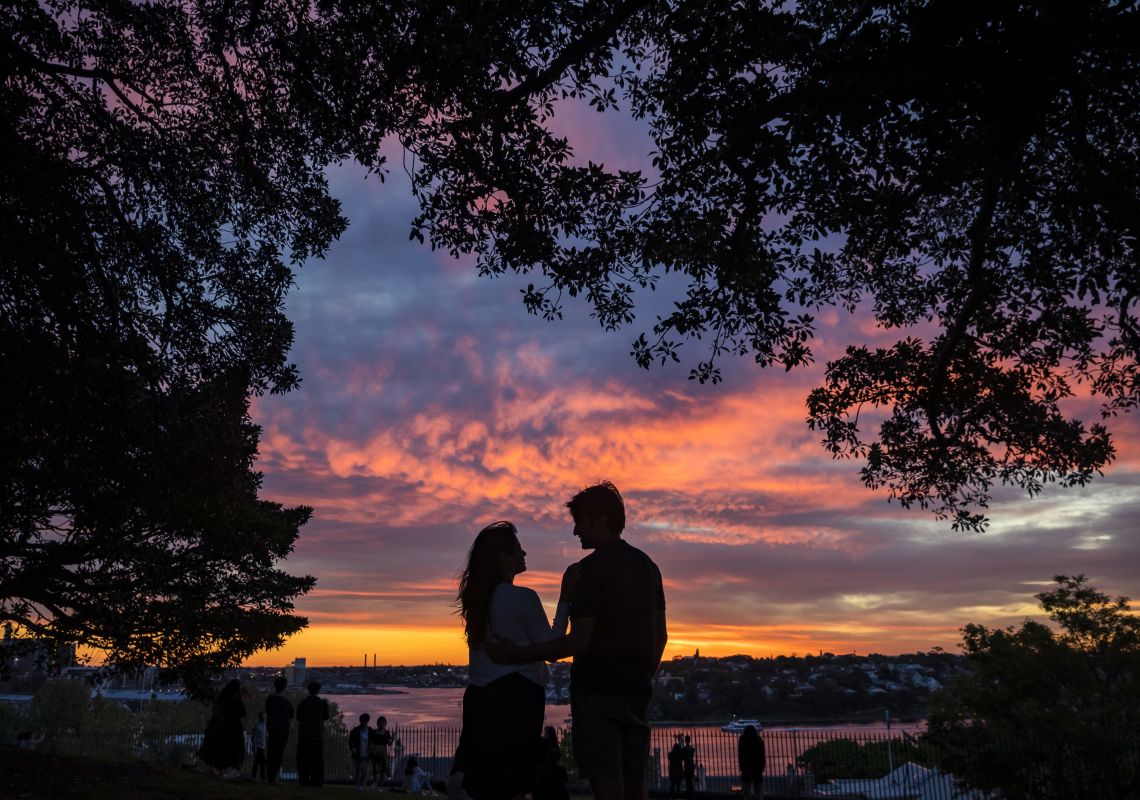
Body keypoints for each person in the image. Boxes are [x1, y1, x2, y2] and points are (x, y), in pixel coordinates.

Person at [488, 481, 668, 800]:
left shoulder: (587, 572)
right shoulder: (648, 567)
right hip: (637, 692)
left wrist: (517, 652)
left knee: (607, 782)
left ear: (600, 520)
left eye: (579, 521)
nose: (575, 532)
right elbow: (661, 635)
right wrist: (642, 677)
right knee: (636, 781)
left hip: (597, 694)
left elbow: (577, 642)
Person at [456, 521, 572, 800]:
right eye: (518, 549)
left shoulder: (478, 602)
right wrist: (566, 601)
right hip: (518, 697)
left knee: (485, 783)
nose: (525, 554)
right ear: (504, 559)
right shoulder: (523, 597)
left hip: (479, 697)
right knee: (513, 784)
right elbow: (552, 648)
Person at [198, 678, 247, 776]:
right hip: (233, 728)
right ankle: (226, 769)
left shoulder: (222, 697)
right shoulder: (236, 699)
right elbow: (243, 712)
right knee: (233, 749)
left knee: (221, 748)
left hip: (221, 728)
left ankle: (218, 769)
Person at [296, 680, 330, 787]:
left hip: (305, 735)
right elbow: (326, 717)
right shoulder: (322, 703)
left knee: (303, 759)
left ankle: (304, 780)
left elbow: (299, 717)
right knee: (318, 760)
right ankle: (317, 781)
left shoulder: (304, 703)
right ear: (318, 690)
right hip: (317, 735)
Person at [264, 676, 294, 784]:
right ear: (284, 687)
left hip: (272, 728)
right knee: (278, 753)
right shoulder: (285, 702)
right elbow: (291, 714)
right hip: (282, 729)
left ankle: (269, 776)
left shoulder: (269, 699)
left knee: (271, 752)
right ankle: (273, 777)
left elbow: (267, 711)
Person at [738, 725, 766, 800]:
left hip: (746, 769)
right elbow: (762, 755)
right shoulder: (759, 740)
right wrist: (762, 767)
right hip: (757, 769)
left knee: (746, 793)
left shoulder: (742, 740)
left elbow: (741, 755)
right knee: (758, 792)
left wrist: (741, 767)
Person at [349, 712, 372, 789]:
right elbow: (351, 740)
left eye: (366, 721)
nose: (365, 722)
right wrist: (353, 748)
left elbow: (373, 740)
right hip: (358, 752)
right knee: (358, 770)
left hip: (366, 753)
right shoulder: (355, 730)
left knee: (365, 770)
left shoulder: (370, 730)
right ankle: (357, 785)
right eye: (364, 720)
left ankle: (363, 785)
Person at [372, 715, 394, 786]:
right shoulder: (374, 732)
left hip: (383, 752)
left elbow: (389, 744)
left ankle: (380, 785)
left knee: (383, 769)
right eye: (380, 722)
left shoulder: (387, 733)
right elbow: (371, 742)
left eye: (383, 722)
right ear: (378, 723)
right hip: (375, 751)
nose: (381, 724)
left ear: (385, 723)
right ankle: (375, 782)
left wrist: (392, 738)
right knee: (375, 768)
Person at [250, 711, 268, 780]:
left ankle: (254, 775)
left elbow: (265, 736)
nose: (265, 717)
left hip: (262, 747)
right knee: (262, 761)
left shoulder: (265, 725)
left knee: (257, 762)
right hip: (258, 746)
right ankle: (262, 777)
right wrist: (254, 747)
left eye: (265, 716)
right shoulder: (258, 726)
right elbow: (253, 737)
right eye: (263, 716)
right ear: (260, 717)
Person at [681, 735, 696, 800]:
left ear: (685, 740)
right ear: (689, 740)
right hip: (691, 766)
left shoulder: (684, 749)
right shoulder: (692, 749)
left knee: (687, 781)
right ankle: (692, 795)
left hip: (687, 766)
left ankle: (688, 795)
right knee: (691, 781)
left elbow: (682, 758)